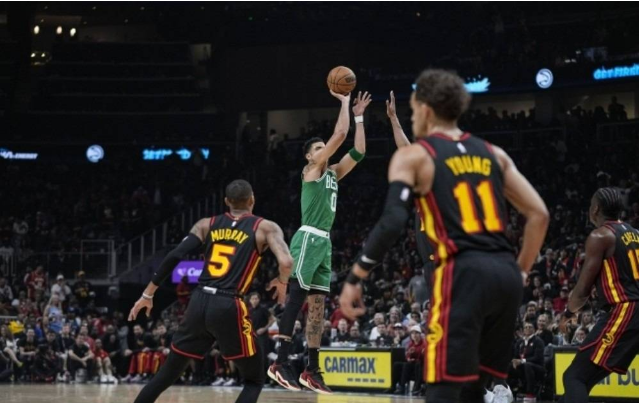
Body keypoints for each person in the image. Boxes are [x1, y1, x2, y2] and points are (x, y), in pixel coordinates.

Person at [339, 69, 549, 403]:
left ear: (424, 109)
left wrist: (357, 274)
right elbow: (539, 214)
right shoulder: (494, 153)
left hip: (460, 273)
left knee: (442, 391)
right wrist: (521, 271)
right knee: (472, 389)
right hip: (504, 278)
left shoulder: (418, 159)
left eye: (411, 109)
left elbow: (393, 219)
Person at [128, 179, 293, 403]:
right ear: (252, 199)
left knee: (166, 375)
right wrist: (282, 282)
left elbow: (175, 256)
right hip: (229, 303)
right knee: (254, 378)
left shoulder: (206, 224)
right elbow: (286, 262)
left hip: (198, 301)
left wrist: (147, 294)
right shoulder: (265, 227)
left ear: (226, 202)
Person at [269, 90, 371, 395]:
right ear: (309, 157)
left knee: (317, 310)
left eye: (322, 147)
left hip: (324, 243)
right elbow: (340, 135)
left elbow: (359, 151)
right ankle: (280, 362)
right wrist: (344, 103)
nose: (322, 149)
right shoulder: (311, 172)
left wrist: (361, 117)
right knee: (296, 300)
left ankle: (311, 370)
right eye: (318, 148)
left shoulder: (333, 174)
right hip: (308, 237)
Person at [560, 188, 639, 403]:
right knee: (581, 382)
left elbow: (582, 288)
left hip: (625, 310)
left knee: (573, 377)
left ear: (595, 209)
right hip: (632, 311)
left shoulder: (601, 235)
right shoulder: (636, 234)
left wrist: (568, 314)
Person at [508, 322, 545, 401]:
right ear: (523, 330)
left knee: (527, 365)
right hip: (523, 367)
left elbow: (537, 358)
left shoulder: (538, 341)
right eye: (526, 327)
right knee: (508, 366)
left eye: (530, 327)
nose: (528, 328)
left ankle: (530, 393)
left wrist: (522, 361)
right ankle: (508, 391)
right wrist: (514, 361)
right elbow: (515, 356)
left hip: (537, 367)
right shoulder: (520, 342)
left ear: (534, 329)